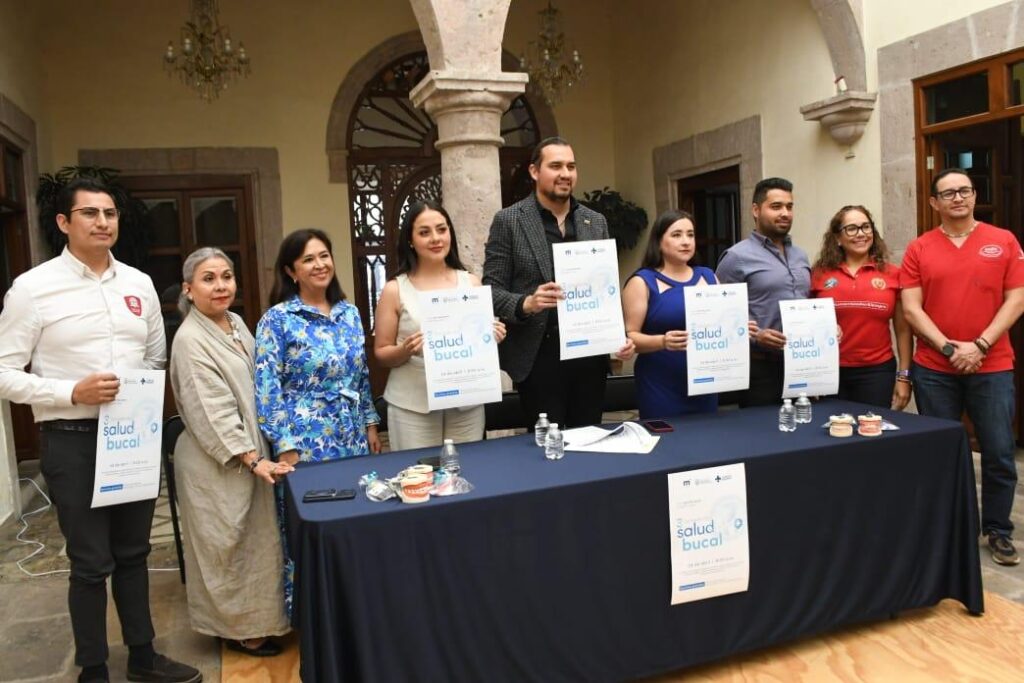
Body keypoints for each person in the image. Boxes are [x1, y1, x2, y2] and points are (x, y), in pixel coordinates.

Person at [0, 178, 200, 683]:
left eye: (110, 213)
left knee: (134, 553)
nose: (103, 222)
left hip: (130, 436)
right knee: (90, 562)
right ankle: (93, 668)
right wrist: (72, 392)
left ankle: (143, 657)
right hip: (71, 438)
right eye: (89, 213)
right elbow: (4, 373)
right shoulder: (33, 288)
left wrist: (136, 398)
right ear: (64, 223)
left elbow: (154, 357)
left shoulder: (138, 283)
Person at [169, 247, 293, 657]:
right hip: (218, 460)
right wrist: (251, 458)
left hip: (251, 452)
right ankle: (237, 630)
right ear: (188, 289)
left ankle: (262, 618)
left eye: (226, 276)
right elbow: (212, 411)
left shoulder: (235, 323)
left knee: (257, 543)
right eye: (208, 279)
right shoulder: (190, 340)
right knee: (227, 545)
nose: (220, 286)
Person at [901, 168, 1024, 567]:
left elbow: (1017, 299)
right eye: (948, 193)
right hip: (935, 368)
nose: (958, 198)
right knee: (944, 453)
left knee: (999, 451)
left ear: (974, 195)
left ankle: (998, 530)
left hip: (993, 365)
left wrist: (981, 344)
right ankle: (955, 528)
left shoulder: (1003, 241)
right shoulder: (919, 248)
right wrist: (950, 348)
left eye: (965, 190)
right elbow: (911, 309)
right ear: (934, 202)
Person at [255, 228, 381, 614]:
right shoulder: (277, 320)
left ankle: (355, 603)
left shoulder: (349, 313)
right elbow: (267, 387)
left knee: (355, 514)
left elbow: (361, 376)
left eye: (324, 255)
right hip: (305, 442)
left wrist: (370, 424)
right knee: (312, 523)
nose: (319, 264)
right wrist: (284, 444)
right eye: (308, 259)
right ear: (291, 271)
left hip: (351, 435)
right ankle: (312, 612)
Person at [483, 136, 635, 429]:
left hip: (589, 355)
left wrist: (619, 335)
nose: (565, 174)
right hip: (539, 356)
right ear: (534, 171)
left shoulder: (595, 221)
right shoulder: (509, 221)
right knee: (547, 446)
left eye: (571, 166)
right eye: (555, 166)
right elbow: (491, 291)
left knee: (589, 440)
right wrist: (527, 303)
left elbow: (605, 289)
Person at [373, 201, 506, 450]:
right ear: (410, 240)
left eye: (441, 229)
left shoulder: (471, 283)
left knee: (467, 469)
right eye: (424, 232)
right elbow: (381, 353)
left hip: (466, 402)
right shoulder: (395, 289)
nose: (435, 238)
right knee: (417, 471)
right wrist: (405, 350)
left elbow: (480, 343)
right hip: (413, 406)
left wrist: (493, 336)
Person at [715, 177, 811, 407]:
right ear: (756, 210)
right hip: (759, 368)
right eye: (776, 206)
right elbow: (719, 314)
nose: (785, 213)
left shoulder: (801, 255)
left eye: (789, 206)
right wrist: (756, 336)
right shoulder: (736, 257)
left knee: (805, 426)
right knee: (763, 429)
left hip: (802, 363)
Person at [810, 205, 912, 410]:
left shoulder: (892, 274)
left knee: (872, 428)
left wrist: (904, 377)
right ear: (837, 238)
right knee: (832, 428)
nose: (861, 234)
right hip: (828, 372)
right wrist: (809, 375)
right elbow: (807, 326)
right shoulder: (819, 275)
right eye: (851, 229)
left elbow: (903, 330)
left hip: (877, 373)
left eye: (866, 227)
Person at [622, 209, 719, 418]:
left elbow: (723, 325)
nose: (686, 242)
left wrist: (739, 329)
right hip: (660, 384)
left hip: (705, 381)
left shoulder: (709, 277)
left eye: (690, 235)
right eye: (676, 235)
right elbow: (630, 337)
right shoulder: (642, 281)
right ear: (659, 242)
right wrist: (663, 341)